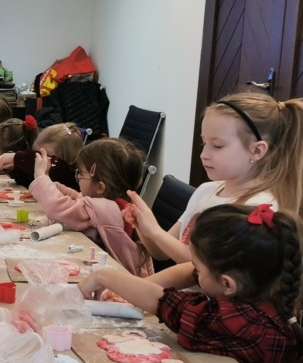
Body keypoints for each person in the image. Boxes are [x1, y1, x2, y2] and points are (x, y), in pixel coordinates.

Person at [79, 204, 303, 363]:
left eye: (198, 267)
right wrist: (130, 289)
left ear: (227, 284)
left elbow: (166, 304)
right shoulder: (266, 291)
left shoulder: (244, 323)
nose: (194, 272)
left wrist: (104, 276)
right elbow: (187, 274)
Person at [127, 93, 303, 266]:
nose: (204, 154)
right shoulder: (206, 190)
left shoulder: (256, 209)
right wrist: (143, 226)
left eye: (217, 146)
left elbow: (206, 268)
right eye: (204, 143)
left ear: (256, 151)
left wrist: (155, 232)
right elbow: (161, 253)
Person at [28, 138, 151, 277]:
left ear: (100, 187)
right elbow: (79, 198)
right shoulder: (112, 203)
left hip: (121, 281)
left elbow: (58, 207)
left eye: (80, 174)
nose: (78, 178)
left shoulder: (105, 209)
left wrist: (40, 176)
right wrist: (52, 185)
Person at [0, 122, 83, 189]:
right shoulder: (39, 170)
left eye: (45, 155)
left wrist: (17, 158)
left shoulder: (66, 175)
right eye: (36, 153)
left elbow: (55, 169)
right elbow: (27, 181)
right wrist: (15, 168)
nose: (38, 158)